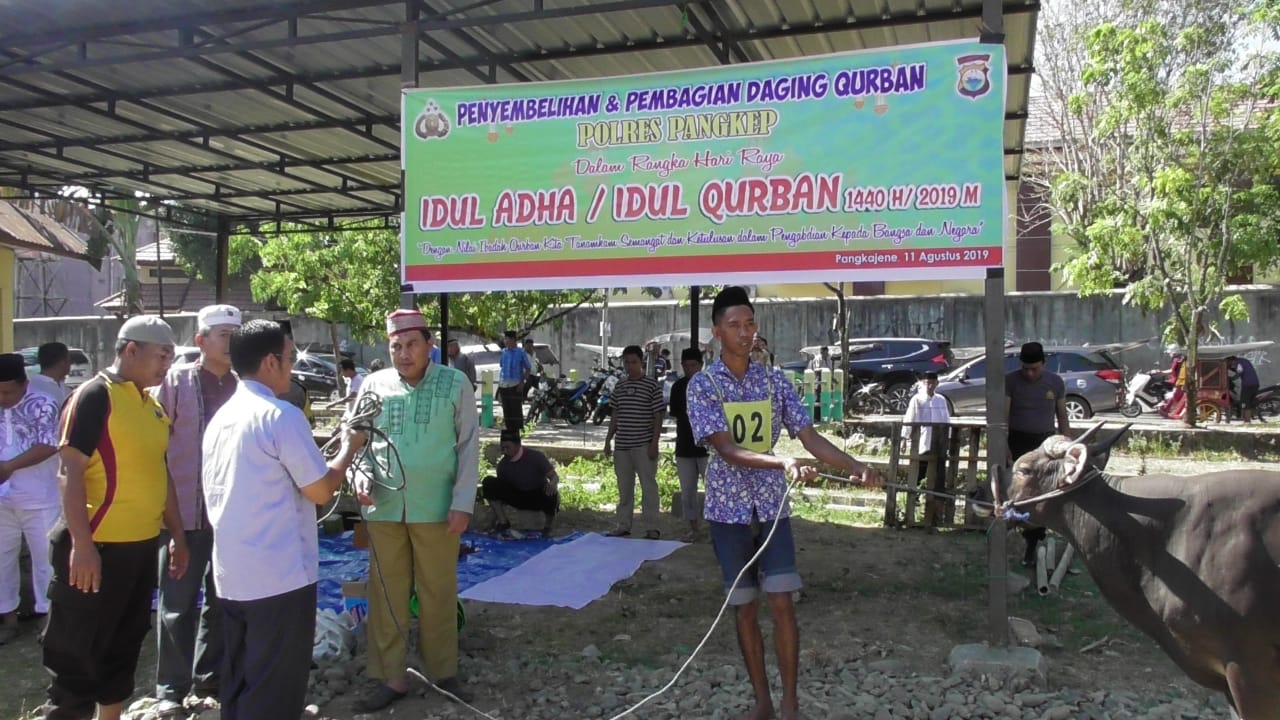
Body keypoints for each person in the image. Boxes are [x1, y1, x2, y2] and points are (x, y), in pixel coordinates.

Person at [686, 286, 883, 720]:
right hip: (727, 511)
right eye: (734, 325)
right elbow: (727, 449)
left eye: (750, 324)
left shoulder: (776, 382)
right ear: (717, 332)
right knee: (744, 607)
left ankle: (790, 702)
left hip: (773, 510)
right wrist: (782, 462)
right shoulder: (703, 385)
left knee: (782, 602)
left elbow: (809, 437)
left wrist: (855, 466)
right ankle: (763, 702)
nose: (744, 333)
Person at [202, 319, 364, 720]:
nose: (292, 368)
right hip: (278, 575)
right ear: (271, 361)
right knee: (274, 686)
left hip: (232, 574)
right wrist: (349, 446)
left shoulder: (221, 418)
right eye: (290, 358)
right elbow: (321, 490)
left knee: (240, 678)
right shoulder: (280, 416)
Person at [40, 315, 188, 720]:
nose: (166, 366)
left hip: (139, 549)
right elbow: (68, 471)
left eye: (171, 357)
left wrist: (177, 534)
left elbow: (161, 472)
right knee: (77, 653)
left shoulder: (152, 405)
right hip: (96, 548)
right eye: (162, 356)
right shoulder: (94, 396)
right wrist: (83, 545)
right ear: (130, 350)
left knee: (122, 646)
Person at [352, 309, 479, 713]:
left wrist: (463, 503)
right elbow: (355, 437)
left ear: (429, 346)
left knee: (437, 591)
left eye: (411, 345)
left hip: (437, 508)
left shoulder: (455, 383)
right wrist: (359, 474)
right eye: (396, 347)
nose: (403, 354)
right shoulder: (373, 384)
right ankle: (391, 676)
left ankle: (443, 673)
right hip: (383, 507)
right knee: (386, 594)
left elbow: (468, 447)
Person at [151, 304, 241, 713]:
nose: (230, 341)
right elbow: (154, 449)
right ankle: (171, 687)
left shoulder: (245, 384)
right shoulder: (176, 383)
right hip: (184, 515)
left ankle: (210, 678)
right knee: (177, 604)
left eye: (234, 333)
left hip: (231, 515)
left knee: (223, 602)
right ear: (201, 341)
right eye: (222, 334)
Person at [0, 354, 60, 644]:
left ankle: (48, 618)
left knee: (45, 561)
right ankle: (7, 619)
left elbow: (49, 444)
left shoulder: (43, 404)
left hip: (40, 497)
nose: (2, 397)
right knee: (1, 560)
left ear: (24, 384)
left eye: (7, 391)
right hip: (3, 500)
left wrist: (8, 467)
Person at [1005, 341, 1070, 567]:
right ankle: (1012, 534)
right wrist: (1004, 444)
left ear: (1044, 363)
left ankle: (1035, 543)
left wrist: (1067, 443)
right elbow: (1004, 415)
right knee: (1016, 494)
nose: (1030, 373)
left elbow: (1062, 417)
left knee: (1042, 495)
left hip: (1045, 445)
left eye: (1035, 368)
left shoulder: (1055, 382)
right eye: (1026, 369)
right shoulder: (1011, 381)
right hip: (1017, 441)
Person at [603, 345, 665, 539]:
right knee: (624, 487)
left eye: (634, 362)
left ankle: (652, 527)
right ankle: (623, 524)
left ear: (641, 362)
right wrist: (608, 440)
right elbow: (615, 414)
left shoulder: (652, 385)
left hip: (643, 444)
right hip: (622, 445)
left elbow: (657, 415)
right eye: (627, 362)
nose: (630, 366)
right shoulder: (620, 386)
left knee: (648, 486)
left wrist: (654, 443)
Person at [481, 430, 559, 537]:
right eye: (502, 448)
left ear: (518, 445)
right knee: (489, 482)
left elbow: (554, 476)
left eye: (508, 447)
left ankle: (547, 527)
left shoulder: (536, 457)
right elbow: (501, 489)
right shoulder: (503, 465)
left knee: (551, 493)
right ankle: (503, 522)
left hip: (537, 495)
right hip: (517, 496)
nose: (504, 451)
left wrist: (552, 484)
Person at [900, 372, 951, 523]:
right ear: (923, 383)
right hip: (922, 442)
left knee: (938, 474)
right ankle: (913, 501)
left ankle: (937, 509)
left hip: (939, 442)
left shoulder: (941, 400)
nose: (930, 386)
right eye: (927, 383)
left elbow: (946, 420)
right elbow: (909, 418)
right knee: (919, 472)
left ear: (937, 384)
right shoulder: (917, 399)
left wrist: (946, 439)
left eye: (932, 383)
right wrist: (904, 438)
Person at [668, 348, 709, 542]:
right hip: (684, 446)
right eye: (686, 365)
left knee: (713, 489)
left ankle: (716, 528)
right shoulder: (678, 387)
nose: (689, 369)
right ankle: (694, 528)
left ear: (701, 365)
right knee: (688, 491)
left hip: (708, 447)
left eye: (693, 365)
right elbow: (675, 413)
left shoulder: (710, 385)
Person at [498, 330, 531, 433]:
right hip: (504, 384)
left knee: (515, 410)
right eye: (505, 339)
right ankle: (509, 431)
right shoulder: (504, 352)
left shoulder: (521, 352)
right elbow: (502, 366)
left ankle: (517, 433)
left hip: (516, 384)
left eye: (507, 339)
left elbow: (528, 368)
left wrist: (522, 382)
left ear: (513, 340)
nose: (505, 341)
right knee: (506, 410)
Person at [1229, 355, 1259, 422]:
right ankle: (1247, 418)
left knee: (1245, 402)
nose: (1231, 365)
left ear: (1232, 360)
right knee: (1250, 401)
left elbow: (1240, 371)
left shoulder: (1238, 362)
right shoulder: (1245, 361)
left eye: (1231, 363)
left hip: (1248, 384)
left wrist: (1232, 378)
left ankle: (1247, 420)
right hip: (1255, 383)